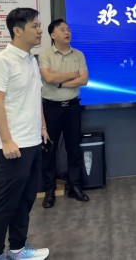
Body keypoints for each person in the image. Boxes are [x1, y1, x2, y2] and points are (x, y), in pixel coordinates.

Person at [0, 8, 49, 260]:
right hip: (12, 145)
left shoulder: (31, 60)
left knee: (26, 199)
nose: (40, 30)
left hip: (32, 141)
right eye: (35, 26)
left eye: (39, 25)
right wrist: (7, 140)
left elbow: (36, 97)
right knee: (8, 202)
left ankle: (17, 248)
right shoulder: (1, 61)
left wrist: (42, 127)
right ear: (17, 30)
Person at [39, 19, 89, 208]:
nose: (67, 32)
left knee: (74, 148)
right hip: (51, 108)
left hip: (72, 107)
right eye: (62, 30)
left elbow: (84, 80)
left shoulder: (78, 54)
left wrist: (59, 82)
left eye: (68, 29)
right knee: (49, 149)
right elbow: (48, 77)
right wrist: (72, 75)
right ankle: (49, 190)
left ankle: (75, 186)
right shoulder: (45, 54)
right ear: (53, 35)